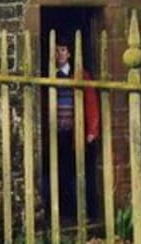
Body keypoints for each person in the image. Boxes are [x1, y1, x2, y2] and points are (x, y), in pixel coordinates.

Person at [54, 43, 100, 222]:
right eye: (57, 50)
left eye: (63, 50)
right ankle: (66, 213)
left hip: (75, 132)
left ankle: (84, 213)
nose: (60, 54)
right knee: (61, 173)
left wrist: (91, 131)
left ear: (70, 53)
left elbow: (91, 103)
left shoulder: (81, 75)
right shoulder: (50, 74)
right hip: (57, 133)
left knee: (79, 172)